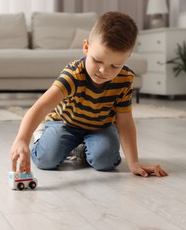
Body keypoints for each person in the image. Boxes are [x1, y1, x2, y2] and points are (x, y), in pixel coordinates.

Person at [10, 11, 168, 178]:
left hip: (101, 127)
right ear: (86, 47)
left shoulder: (125, 79)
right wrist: (22, 139)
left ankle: (81, 149)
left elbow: (125, 122)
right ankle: (44, 138)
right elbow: (41, 107)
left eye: (115, 65)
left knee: (105, 162)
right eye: (97, 61)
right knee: (45, 160)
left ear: (127, 59)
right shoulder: (73, 75)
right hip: (65, 123)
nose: (103, 71)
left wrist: (134, 162)